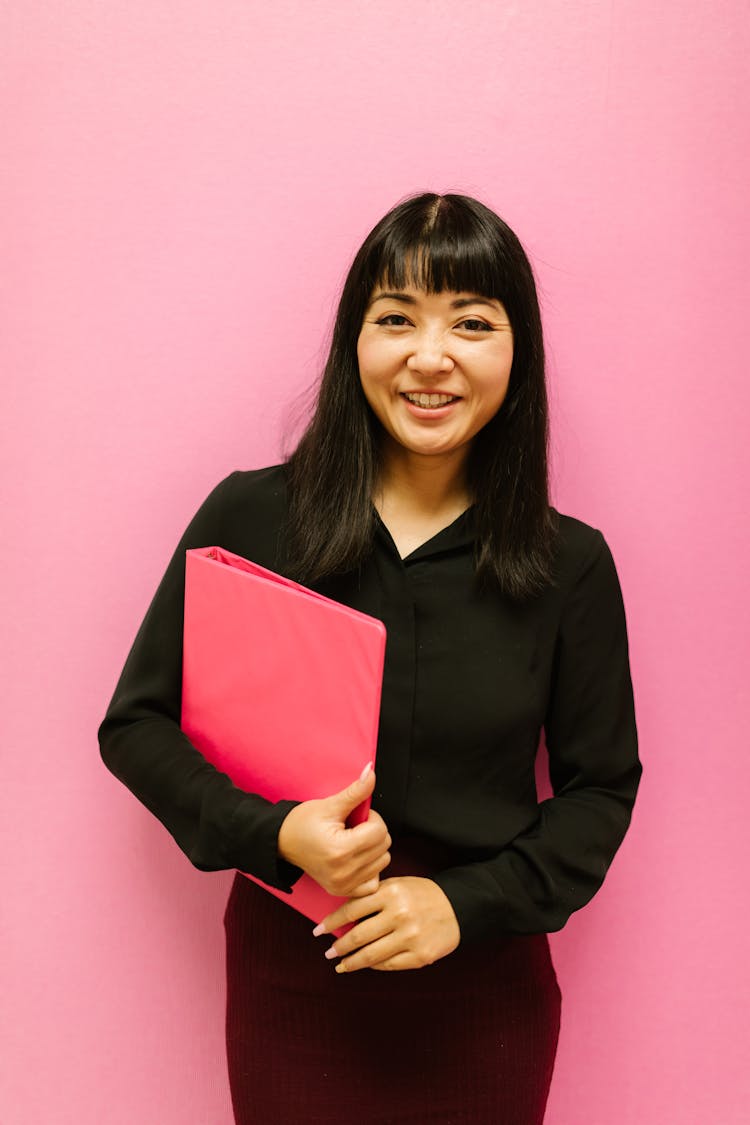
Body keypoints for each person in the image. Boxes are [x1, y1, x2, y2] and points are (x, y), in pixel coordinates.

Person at [99, 192, 641, 1124]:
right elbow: (137, 725)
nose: (430, 357)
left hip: (484, 988)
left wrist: (460, 904)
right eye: (397, 319)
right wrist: (275, 834)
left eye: (471, 323)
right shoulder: (253, 516)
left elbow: (600, 789)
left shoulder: (570, 563)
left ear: (519, 352)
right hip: (295, 980)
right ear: (357, 340)